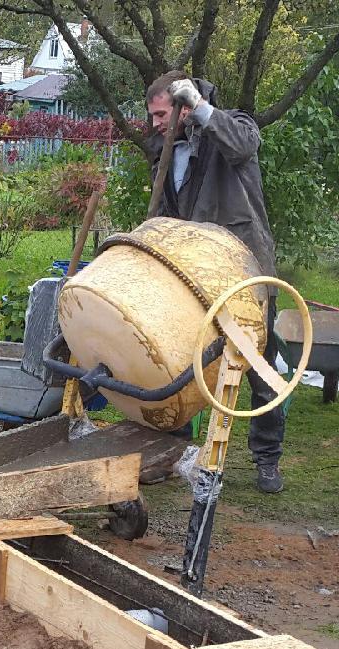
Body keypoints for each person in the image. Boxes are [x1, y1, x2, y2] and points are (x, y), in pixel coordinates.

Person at [144, 71, 286, 494]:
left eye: (160, 114)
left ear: (185, 107)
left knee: (260, 367)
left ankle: (267, 460)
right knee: (183, 359)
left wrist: (203, 110)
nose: (153, 123)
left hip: (245, 269)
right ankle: (174, 450)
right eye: (150, 115)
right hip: (194, 272)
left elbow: (243, 145)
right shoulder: (166, 148)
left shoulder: (232, 126)